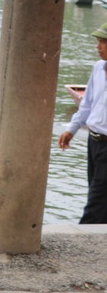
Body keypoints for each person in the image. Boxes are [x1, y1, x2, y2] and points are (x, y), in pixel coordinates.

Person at [58, 22, 107, 224]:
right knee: (97, 195)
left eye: (103, 42)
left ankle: (83, 244)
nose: (98, 47)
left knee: (95, 203)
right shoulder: (98, 68)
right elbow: (86, 104)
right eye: (98, 42)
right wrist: (72, 129)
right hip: (94, 141)